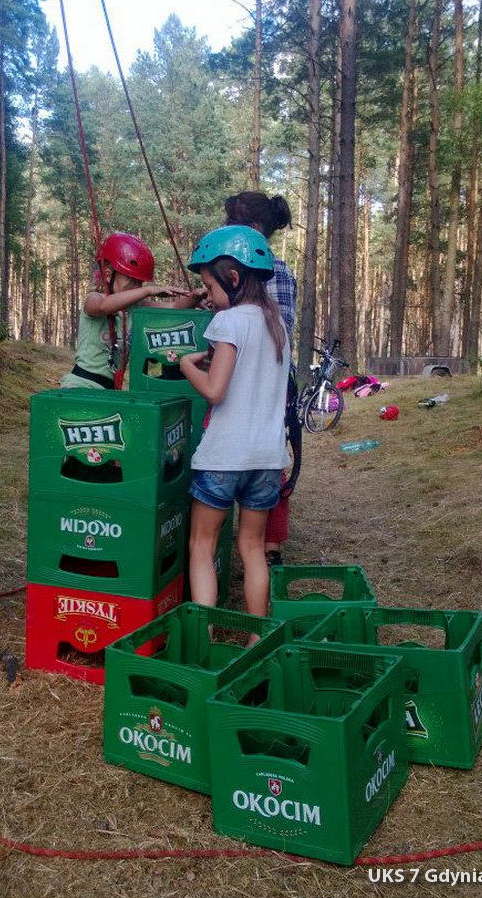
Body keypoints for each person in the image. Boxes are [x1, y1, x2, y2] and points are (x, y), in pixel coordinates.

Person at [179, 226, 290, 631]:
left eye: (210, 285)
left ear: (233, 277)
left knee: (201, 544)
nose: (207, 295)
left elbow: (215, 390)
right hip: (267, 458)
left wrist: (186, 364)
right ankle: (258, 638)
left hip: (225, 456)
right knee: (253, 548)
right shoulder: (277, 325)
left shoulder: (227, 322)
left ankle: (204, 636)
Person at [224, 191, 299, 567]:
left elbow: (275, 331)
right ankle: (252, 541)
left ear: (253, 229)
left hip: (264, 379)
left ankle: (267, 546)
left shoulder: (272, 271)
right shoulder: (232, 272)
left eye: (231, 225)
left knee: (266, 455)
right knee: (252, 453)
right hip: (246, 376)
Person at [60, 231, 195, 390]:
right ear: (108, 275)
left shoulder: (135, 309)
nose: (137, 287)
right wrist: (148, 290)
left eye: (140, 283)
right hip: (80, 383)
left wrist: (196, 297)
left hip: (109, 390)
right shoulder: (94, 299)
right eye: (132, 280)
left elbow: (174, 307)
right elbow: (102, 306)